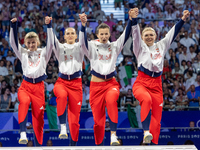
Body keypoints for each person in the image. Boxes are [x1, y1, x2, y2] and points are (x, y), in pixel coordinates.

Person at [79, 8, 138, 146]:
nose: (104, 36)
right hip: (96, 86)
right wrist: (83, 26)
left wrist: (130, 19)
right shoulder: (92, 46)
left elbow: (126, 34)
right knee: (98, 121)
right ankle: (99, 145)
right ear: (97, 34)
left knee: (112, 102)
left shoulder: (114, 46)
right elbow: (82, 43)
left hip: (111, 83)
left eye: (106, 33)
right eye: (102, 34)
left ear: (110, 34)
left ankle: (113, 135)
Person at [131, 10, 190, 144]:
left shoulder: (161, 46)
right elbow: (135, 34)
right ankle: (145, 132)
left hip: (157, 84)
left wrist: (183, 19)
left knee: (157, 119)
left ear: (156, 36)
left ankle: (152, 144)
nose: (149, 37)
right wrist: (134, 20)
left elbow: (172, 33)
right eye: (146, 35)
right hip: (142, 82)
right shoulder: (139, 47)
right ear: (142, 36)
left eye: (151, 34)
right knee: (146, 100)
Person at [10, 17, 54, 146]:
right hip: (25, 86)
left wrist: (49, 26)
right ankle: (22, 133)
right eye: (28, 43)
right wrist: (13, 27)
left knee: (38, 118)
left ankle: (38, 145)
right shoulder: (23, 53)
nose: (31, 45)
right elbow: (13, 43)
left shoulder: (44, 53)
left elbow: (51, 43)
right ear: (25, 43)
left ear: (37, 42)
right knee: (23, 102)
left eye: (33, 42)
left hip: (39, 88)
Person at [45, 16, 84, 146]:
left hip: (76, 84)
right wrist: (49, 25)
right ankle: (62, 127)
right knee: (61, 96)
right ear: (64, 36)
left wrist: (83, 25)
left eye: (73, 33)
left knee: (74, 121)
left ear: (76, 36)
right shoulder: (60, 48)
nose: (71, 35)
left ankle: (73, 145)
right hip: (62, 82)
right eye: (68, 33)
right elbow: (52, 39)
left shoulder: (80, 46)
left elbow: (84, 38)